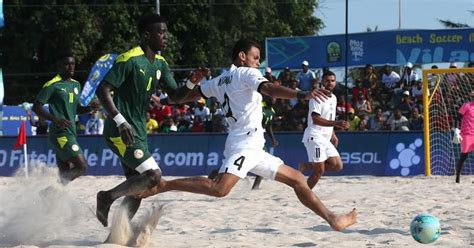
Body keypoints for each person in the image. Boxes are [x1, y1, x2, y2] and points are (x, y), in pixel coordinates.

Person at [102, 39, 358, 232]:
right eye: (256, 57)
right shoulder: (247, 73)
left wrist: (192, 84)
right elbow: (269, 89)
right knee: (219, 189)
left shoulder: (219, 80)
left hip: (252, 145)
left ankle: (332, 218)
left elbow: (184, 96)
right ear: (242, 56)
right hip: (243, 144)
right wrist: (301, 95)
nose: (259, 62)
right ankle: (164, 185)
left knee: (299, 180)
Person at [95, 14, 207, 226]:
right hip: (120, 130)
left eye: (166, 32)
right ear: (147, 35)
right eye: (161, 32)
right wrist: (120, 121)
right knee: (152, 176)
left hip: (137, 130)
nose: (166, 37)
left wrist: (192, 83)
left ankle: (119, 233)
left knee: (138, 187)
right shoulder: (129, 59)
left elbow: (174, 97)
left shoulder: (161, 64)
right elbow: (103, 90)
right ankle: (106, 197)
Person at [32, 52, 89, 182]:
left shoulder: (76, 85)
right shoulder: (52, 85)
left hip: (71, 132)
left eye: (73, 64)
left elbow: (76, 109)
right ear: (59, 66)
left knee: (64, 176)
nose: (71, 67)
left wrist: (89, 108)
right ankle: (49, 192)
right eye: (67, 64)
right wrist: (56, 120)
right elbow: (36, 107)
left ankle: (50, 200)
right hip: (60, 134)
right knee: (82, 166)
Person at [298, 71, 349, 188]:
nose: (330, 83)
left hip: (325, 138)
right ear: (322, 82)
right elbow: (315, 119)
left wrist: (333, 134)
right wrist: (337, 123)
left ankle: (305, 166)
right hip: (314, 136)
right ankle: (304, 194)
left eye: (332, 81)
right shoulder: (316, 96)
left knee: (337, 165)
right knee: (319, 171)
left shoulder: (334, 98)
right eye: (327, 80)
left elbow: (329, 117)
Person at [454, 100, 474, 183]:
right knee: (463, 156)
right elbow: (458, 117)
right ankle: (457, 178)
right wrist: (456, 130)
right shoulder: (466, 105)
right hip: (466, 134)